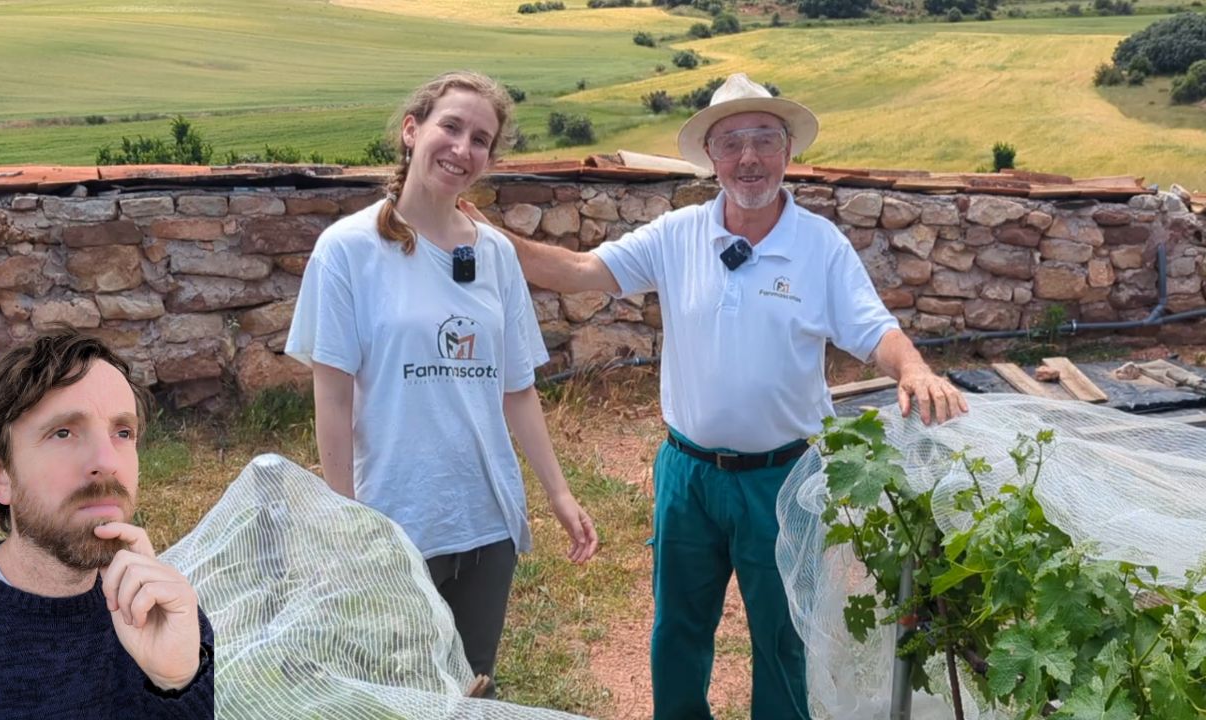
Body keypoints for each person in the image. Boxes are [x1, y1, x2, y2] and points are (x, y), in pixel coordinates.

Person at [463, 73, 969, 719]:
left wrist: (913, 368)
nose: (748, 158)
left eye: (764, 140)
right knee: (678, 629)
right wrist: (493, 240)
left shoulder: (820, 246)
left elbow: (874, 330)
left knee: (782, 638)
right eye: (731, 143)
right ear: (710, 156)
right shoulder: (677, 235)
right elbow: (583, 271)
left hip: (784, 480)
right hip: (688, 475)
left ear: (788, 151)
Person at [285, 70, 600, 697]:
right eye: (450, 127)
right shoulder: (346, 250)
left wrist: (559, 493)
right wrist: (348, 520)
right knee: (395, 695)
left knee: (471, 691)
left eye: (481, 139)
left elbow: (516, 388)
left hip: (486, 520)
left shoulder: (495, 255)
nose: (462, 148)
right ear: (412, 130)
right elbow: (333, 397)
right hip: (394, 521)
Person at [0, 329, 213, 719]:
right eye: (63, 432)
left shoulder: (165, 612)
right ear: (1, 476)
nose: (107, 462)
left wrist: (177, 681)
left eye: (123, 433)